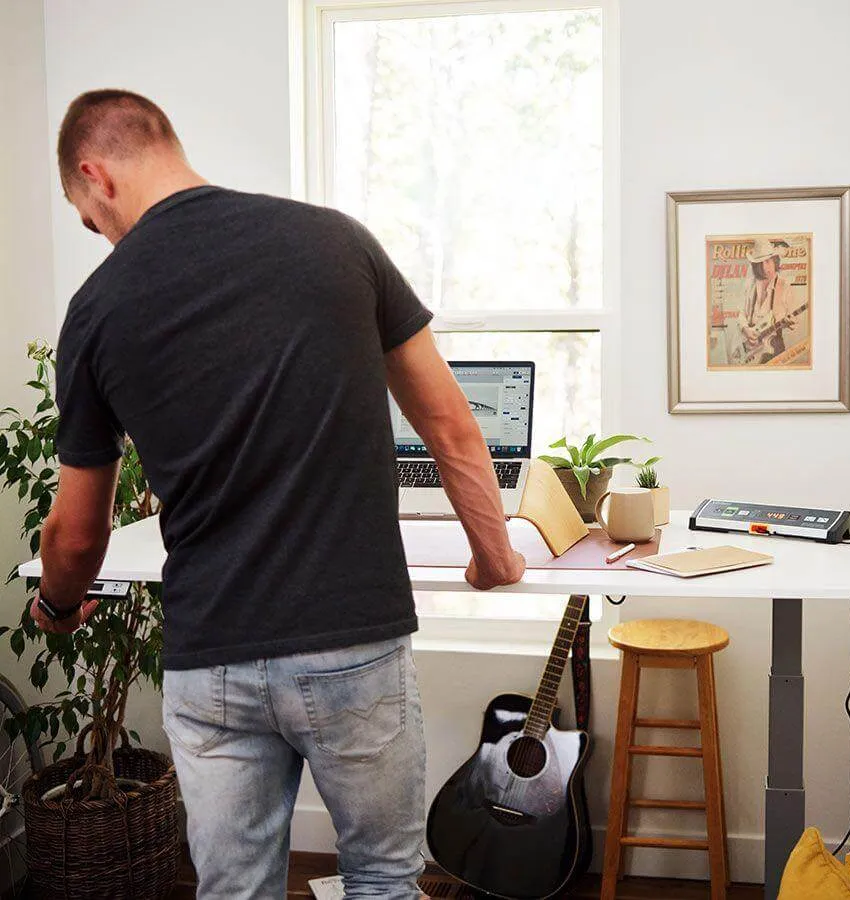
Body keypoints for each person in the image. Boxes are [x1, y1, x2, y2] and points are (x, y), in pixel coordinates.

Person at [31, 89, 526, 900]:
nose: (102, 236)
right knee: (382, 882)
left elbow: (77, 537)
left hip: (212, 660)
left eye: (90, 218)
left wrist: (55, 606)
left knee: (233, 892)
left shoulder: (95, 311)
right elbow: (451, 428)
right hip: (352, 644)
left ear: (96, 175)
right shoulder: (336, 242)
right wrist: (494, 560)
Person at [736, 238, 796, 364]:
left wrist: (790, 322)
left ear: (775, 261)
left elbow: (794, 320)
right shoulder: (751, 285)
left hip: (773, 351)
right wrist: (745, 329)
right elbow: (741, 314)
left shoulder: (784, 286)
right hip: (751, 352)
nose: (764, 268)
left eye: (768, 261)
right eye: (760, 263)